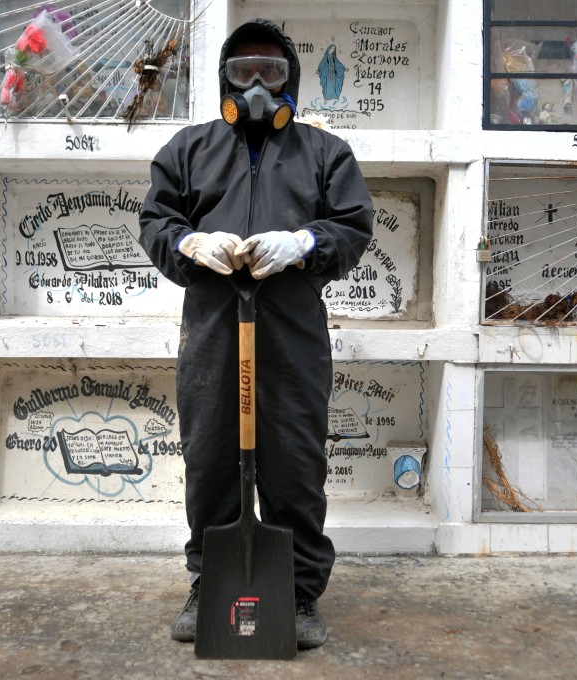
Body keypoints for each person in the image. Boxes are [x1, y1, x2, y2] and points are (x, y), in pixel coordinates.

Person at [138, 18, 373, 650]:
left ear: (291, 79)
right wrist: (188, 241)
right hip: (214, 330)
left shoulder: (326, 153)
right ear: (225, 78)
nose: (258, 86)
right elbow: (156, 218)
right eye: (245, 72)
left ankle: (297, 592)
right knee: (210, 457)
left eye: (272, 72)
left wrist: (304, 242)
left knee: (295, 460)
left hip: (292, 331)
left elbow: (353, 226)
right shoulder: (188, 148)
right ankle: (210, 578)